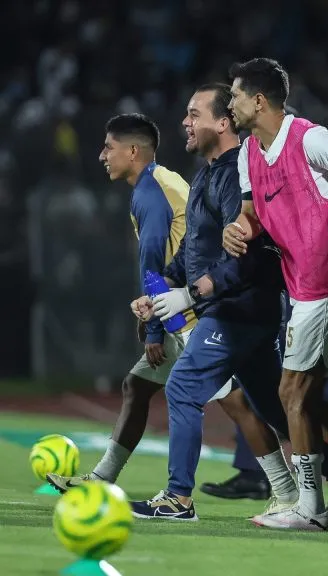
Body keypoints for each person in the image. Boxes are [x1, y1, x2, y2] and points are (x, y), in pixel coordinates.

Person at [222, 57, 328, 530]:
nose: (230, 104)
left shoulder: (311, 137)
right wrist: (237, 227)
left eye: (234, 95)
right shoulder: (249, 151)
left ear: (259, 100)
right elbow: (251, 214)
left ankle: (308, 506)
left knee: (290, 390)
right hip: (305, 289)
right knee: (308, 397)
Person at [46, 113, 204, 493]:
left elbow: (153, 261)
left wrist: (152, 327)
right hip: (181, 305)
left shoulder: (150, 192)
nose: (102, 155)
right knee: (136, 385)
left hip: (191, 314)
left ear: (133, 151)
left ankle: (309, 485)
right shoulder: (159, 183)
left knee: (243, 403)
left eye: (109, 147)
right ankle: (101, 479)